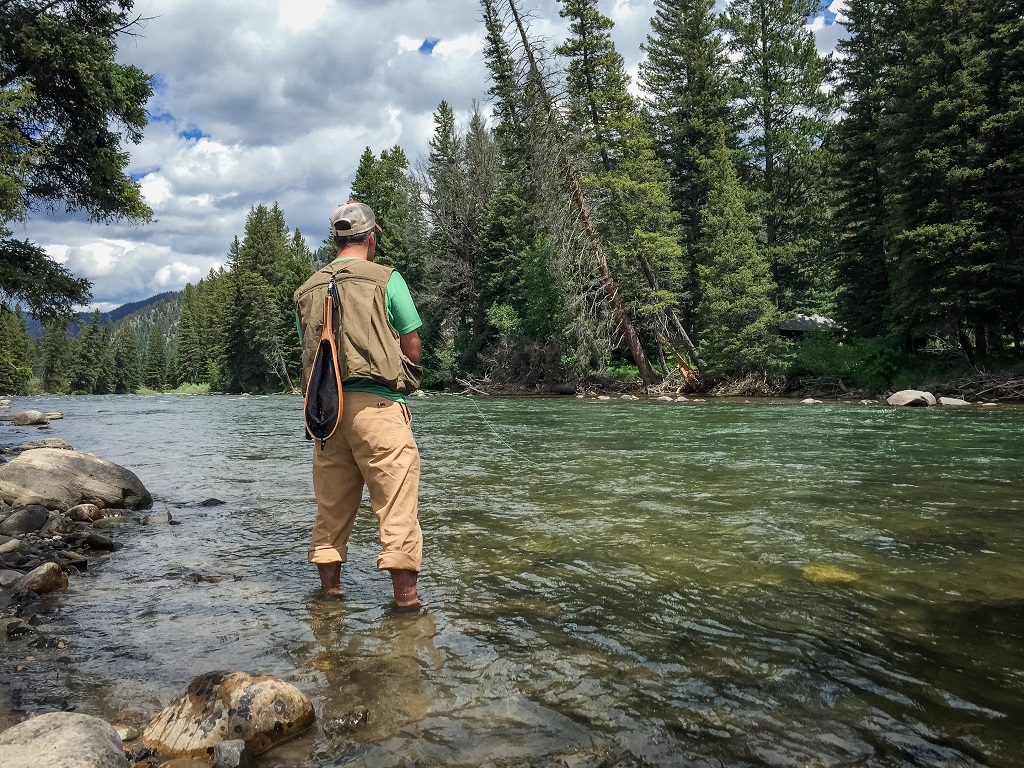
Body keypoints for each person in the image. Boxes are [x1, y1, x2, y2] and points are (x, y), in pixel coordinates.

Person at [294, 201, 424, 610]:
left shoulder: (306, 289)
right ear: (371, 236)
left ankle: (329, 601)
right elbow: (412, 342)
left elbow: (311, 347)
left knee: (330, 513)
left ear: (336, 240)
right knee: (397, 510)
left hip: (325, 416)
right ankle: (406, 606)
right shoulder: (387, 279)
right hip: (379, 409)